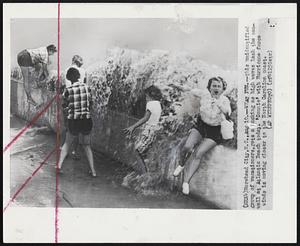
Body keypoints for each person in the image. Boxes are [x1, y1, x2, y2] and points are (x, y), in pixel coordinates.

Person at [172, 77, 232, 195]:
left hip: (214, 131)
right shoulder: (204, 94)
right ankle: (181, 164)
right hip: (201, 125)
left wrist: (219, 104)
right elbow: (190, 90)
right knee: (187, 147)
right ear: (209, 87)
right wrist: (176, 85)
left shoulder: (224, 100)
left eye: (218, 86)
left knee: (198, 153)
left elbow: (227, 113)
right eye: (213, 86)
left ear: (223, 89)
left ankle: (186, 183)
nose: (216, 88)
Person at [58, 67, 97, 177]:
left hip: (74, 120)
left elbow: (64, 106)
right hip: (86, 120)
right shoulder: (87, 88)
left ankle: (59, 166)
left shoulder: (68, 90)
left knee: (67, 143)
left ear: (69, 79)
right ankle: (93, 171)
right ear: (79, 76)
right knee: (87, 146)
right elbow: (91, 103)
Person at [123, 85, 162, 173]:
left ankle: (144, 173)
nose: (146, 98)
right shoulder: (158, 104)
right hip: (154, 130)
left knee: (138, 151)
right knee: (144, 152)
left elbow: (146, 118)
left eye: (146, 96)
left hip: (149, 130)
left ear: (149, 95)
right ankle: (147, 171)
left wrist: (133, 127)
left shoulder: (150, 104)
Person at [62, 55, 87, 160]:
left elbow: (66, 86)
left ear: (72, 61)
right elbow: (85, 85)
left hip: (67, 98)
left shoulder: (66, 70)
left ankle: (65, 150)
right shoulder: (83, 71)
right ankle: (74, 151)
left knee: (67, 126)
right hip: (78, 99)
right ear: (79, 63)